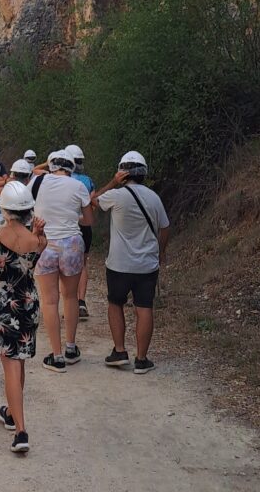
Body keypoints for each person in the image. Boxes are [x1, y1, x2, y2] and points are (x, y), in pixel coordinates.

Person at [0, 181, 45, 454]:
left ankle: (21, 431)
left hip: (5, 307)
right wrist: (39, 232)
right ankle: (12, 414)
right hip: (29, 304)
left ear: (4, 208)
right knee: (19, 360)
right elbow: (38, 254)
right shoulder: (36, 240)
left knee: (10, 366)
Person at [94, 151, 170, 374]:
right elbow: (165, 227)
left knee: (115, 303)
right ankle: (142, 359)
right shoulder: (154, 198)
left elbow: (93, 201)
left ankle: (119, 351)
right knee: (144, 308)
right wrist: (161, 251)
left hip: (118, 264)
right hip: (146, 265)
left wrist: (112, 182)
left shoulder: (116, 196)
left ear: (122, 172)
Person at [33, 150, 93, 371]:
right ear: (72, 168)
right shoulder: (79, 186)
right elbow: (88, 220)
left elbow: (28, 209)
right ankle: (70, 347)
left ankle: (56, 356)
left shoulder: (38, 181)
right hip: (72, 244)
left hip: (45, 242)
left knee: (49, 301)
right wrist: (72, 216)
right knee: (70, 296)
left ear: (50, 165)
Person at [65, 144, 95, 320]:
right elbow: (91, 205)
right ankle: (81, 301)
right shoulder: (88, 181)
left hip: (66, 226)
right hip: (84, 226)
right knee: (83, 264)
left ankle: (68, 303)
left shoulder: (58, 179)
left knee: (65, 266)